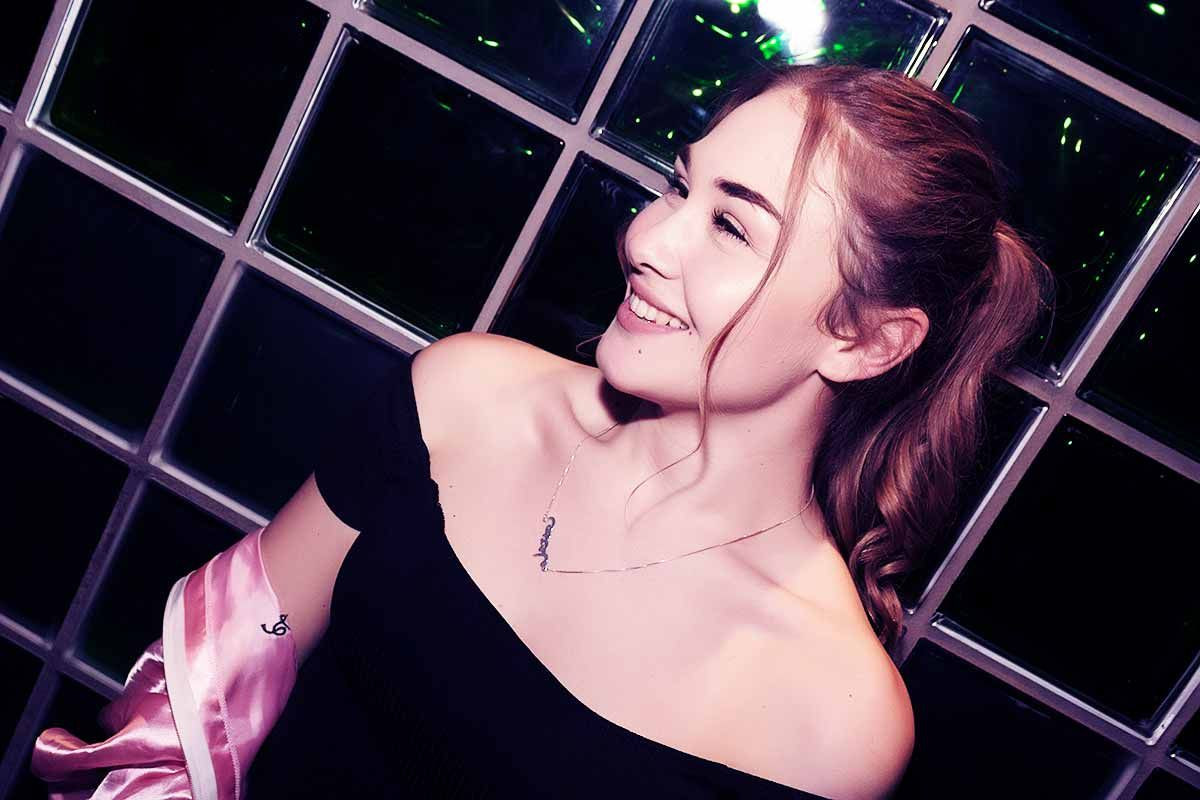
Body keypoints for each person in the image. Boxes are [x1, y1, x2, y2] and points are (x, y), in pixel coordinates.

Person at [32, 63, 1054, 799]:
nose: (646, 237)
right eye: (678, 185)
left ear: (865, 340)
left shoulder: (836, 718)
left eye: (730, 225)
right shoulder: (466, 401)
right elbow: (222, 670)